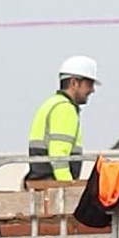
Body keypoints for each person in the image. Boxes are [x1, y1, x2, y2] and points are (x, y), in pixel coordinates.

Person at [26, 55, 100, 187]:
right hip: (52, 184)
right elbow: (59, 156)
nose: (92, 90)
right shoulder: (65, 108)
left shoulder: (51, 103)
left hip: (42, 181)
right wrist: (68, 186)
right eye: (89, 84)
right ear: (74, 83)